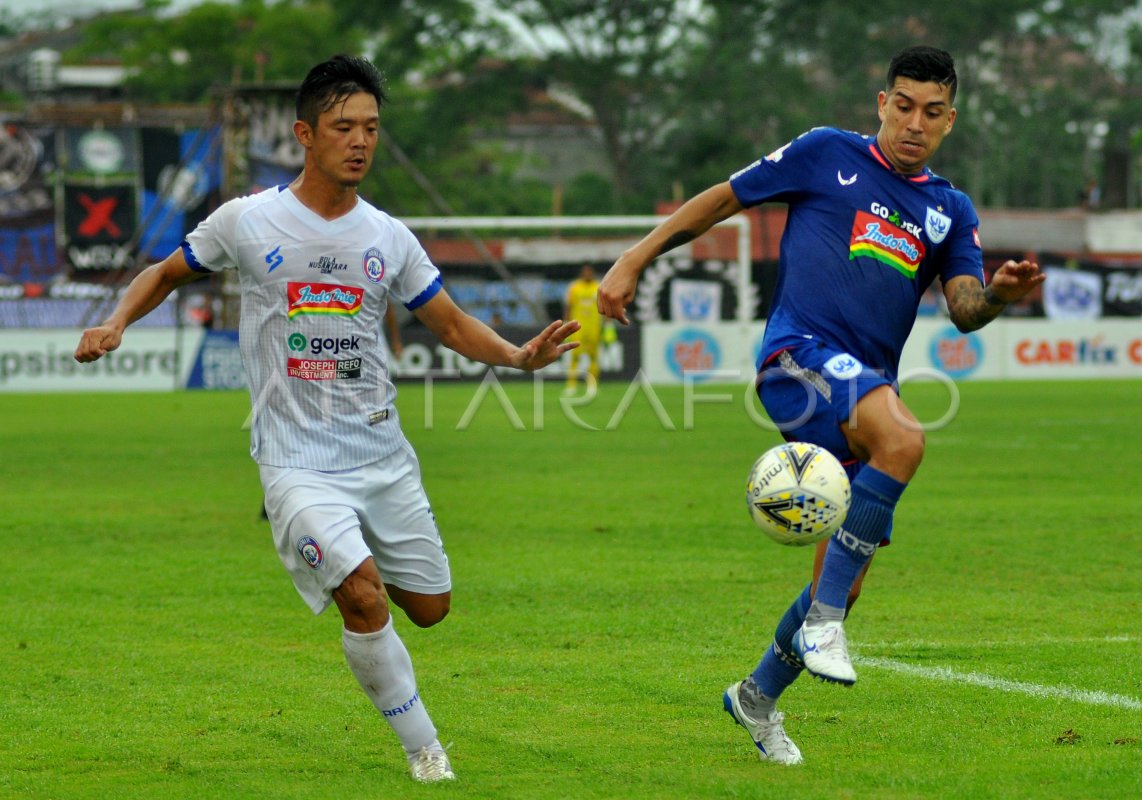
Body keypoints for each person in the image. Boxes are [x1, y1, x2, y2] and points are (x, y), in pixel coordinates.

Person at [75, 54, 579, 783]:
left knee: (431, 609)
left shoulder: (388, 236)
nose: (361, 141)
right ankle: (425, 750)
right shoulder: (247, 220)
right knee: (363, 594)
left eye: (371, 127)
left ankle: (382, 616)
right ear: (304, 135)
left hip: (381, 454)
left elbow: (450, 322)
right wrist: (117, 321)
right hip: (294, 461)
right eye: (344, 126)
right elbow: (165, 272)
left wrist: (517, 357)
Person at [597, 46, 1043, 765]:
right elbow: (723, 198)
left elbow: (964, 307)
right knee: (904, 442)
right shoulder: (825, 154)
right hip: (797, 356)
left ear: (950, 122)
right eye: (903, 105)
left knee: (846, 571)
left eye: (932, 112)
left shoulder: (949, 209)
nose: (914, 123)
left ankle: (756, 696)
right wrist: (632, 258)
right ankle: (826, 625)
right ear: (881, 103)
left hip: (864, 388)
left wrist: (1000, 295)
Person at [562, 263, 602, 393]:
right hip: (577, 327)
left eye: (589, 272)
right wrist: (566, 324)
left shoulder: (598, 287)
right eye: (585, 272)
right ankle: (571, 385)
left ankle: (592, 385)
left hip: (594, 327)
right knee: (575, 356)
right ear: (581, 273)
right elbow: (568, 306)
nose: (587, 275)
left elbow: (604, 306)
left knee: (593, 357)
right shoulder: (575, 287)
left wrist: (608, 324)